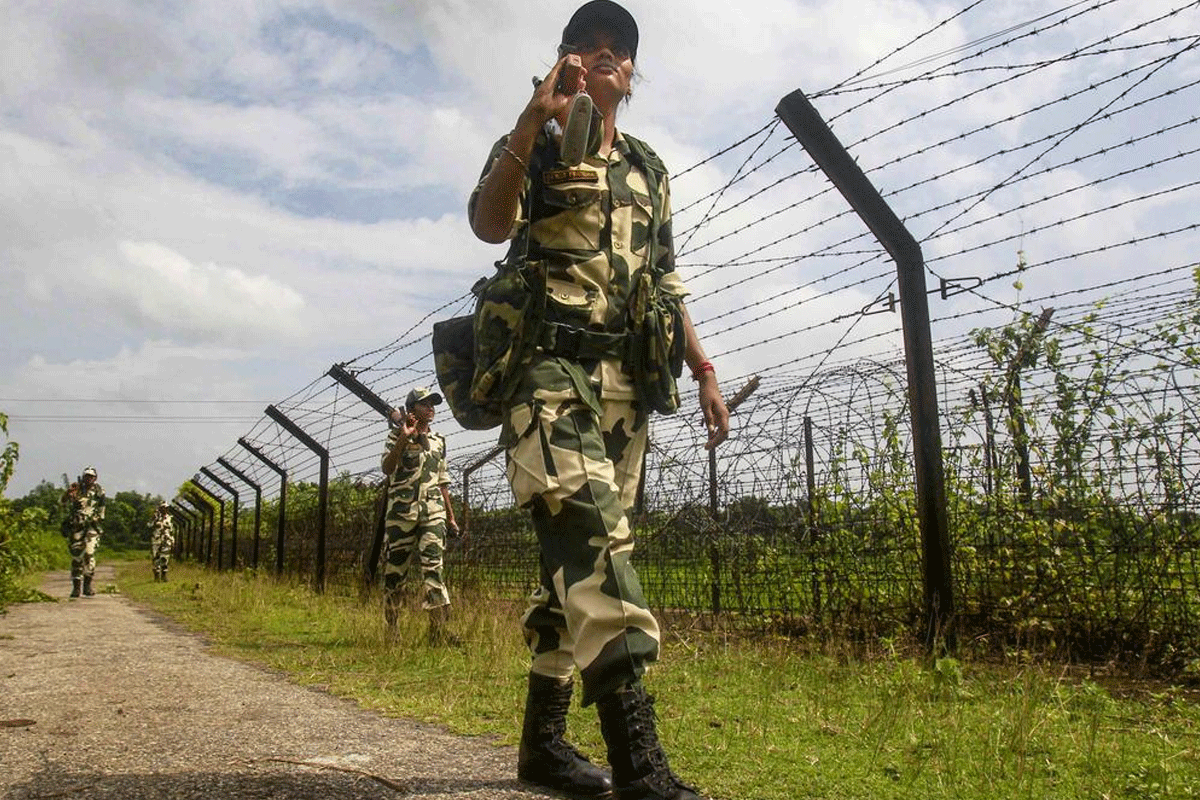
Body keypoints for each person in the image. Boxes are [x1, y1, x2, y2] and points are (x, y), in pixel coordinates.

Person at [468, 3, 730, 798]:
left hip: (625, 386)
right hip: (544, 370)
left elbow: (666, 277)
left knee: (570, 568)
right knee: (592, 542)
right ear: (563, 60)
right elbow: (488, 223)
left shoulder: (650, 168)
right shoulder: (535, 140)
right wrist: (529, 124)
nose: (604, 55)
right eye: (587, 43)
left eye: (620, 49)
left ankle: (541, 746)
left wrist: (705, 366)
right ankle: (638, 764)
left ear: (632, 73)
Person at [381, 387, 461, 645]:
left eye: (433, 404)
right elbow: (387, 468)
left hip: (433, 513)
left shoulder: (439, 440)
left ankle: (438, 632)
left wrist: (450, 517)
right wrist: (405, 438)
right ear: (412, 409)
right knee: (396, 573)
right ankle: (392, 630)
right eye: (424, 404)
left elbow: (443, 480)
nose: (431, 408)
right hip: (401, 514)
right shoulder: (396, 435)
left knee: (433, 569)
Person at [61, 466, 106, 598]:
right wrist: (68, 493)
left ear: (95, 478)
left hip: (92, 526)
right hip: (77, 525)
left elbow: (102, 511)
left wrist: (95, 519)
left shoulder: (99, 491)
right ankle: (76, 587)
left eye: (91, 476)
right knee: (77, 555)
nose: (88, 478)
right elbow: (63, 503)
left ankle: (87, 585)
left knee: (89, 554)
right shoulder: (76, 489)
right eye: (86, 476)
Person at [150, 502, 175, 582]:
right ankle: (156, 576)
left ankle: (164, 576)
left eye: (166, 508)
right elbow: (149, 526)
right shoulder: (155, 517)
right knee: (156, 558)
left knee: (165, 558)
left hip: (166, 540)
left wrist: (172, 540)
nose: (165, 510)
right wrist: (155, 521)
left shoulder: (169, 518)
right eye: (163, 508)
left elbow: (171, 530)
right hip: (157, 540)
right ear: (160, 509)